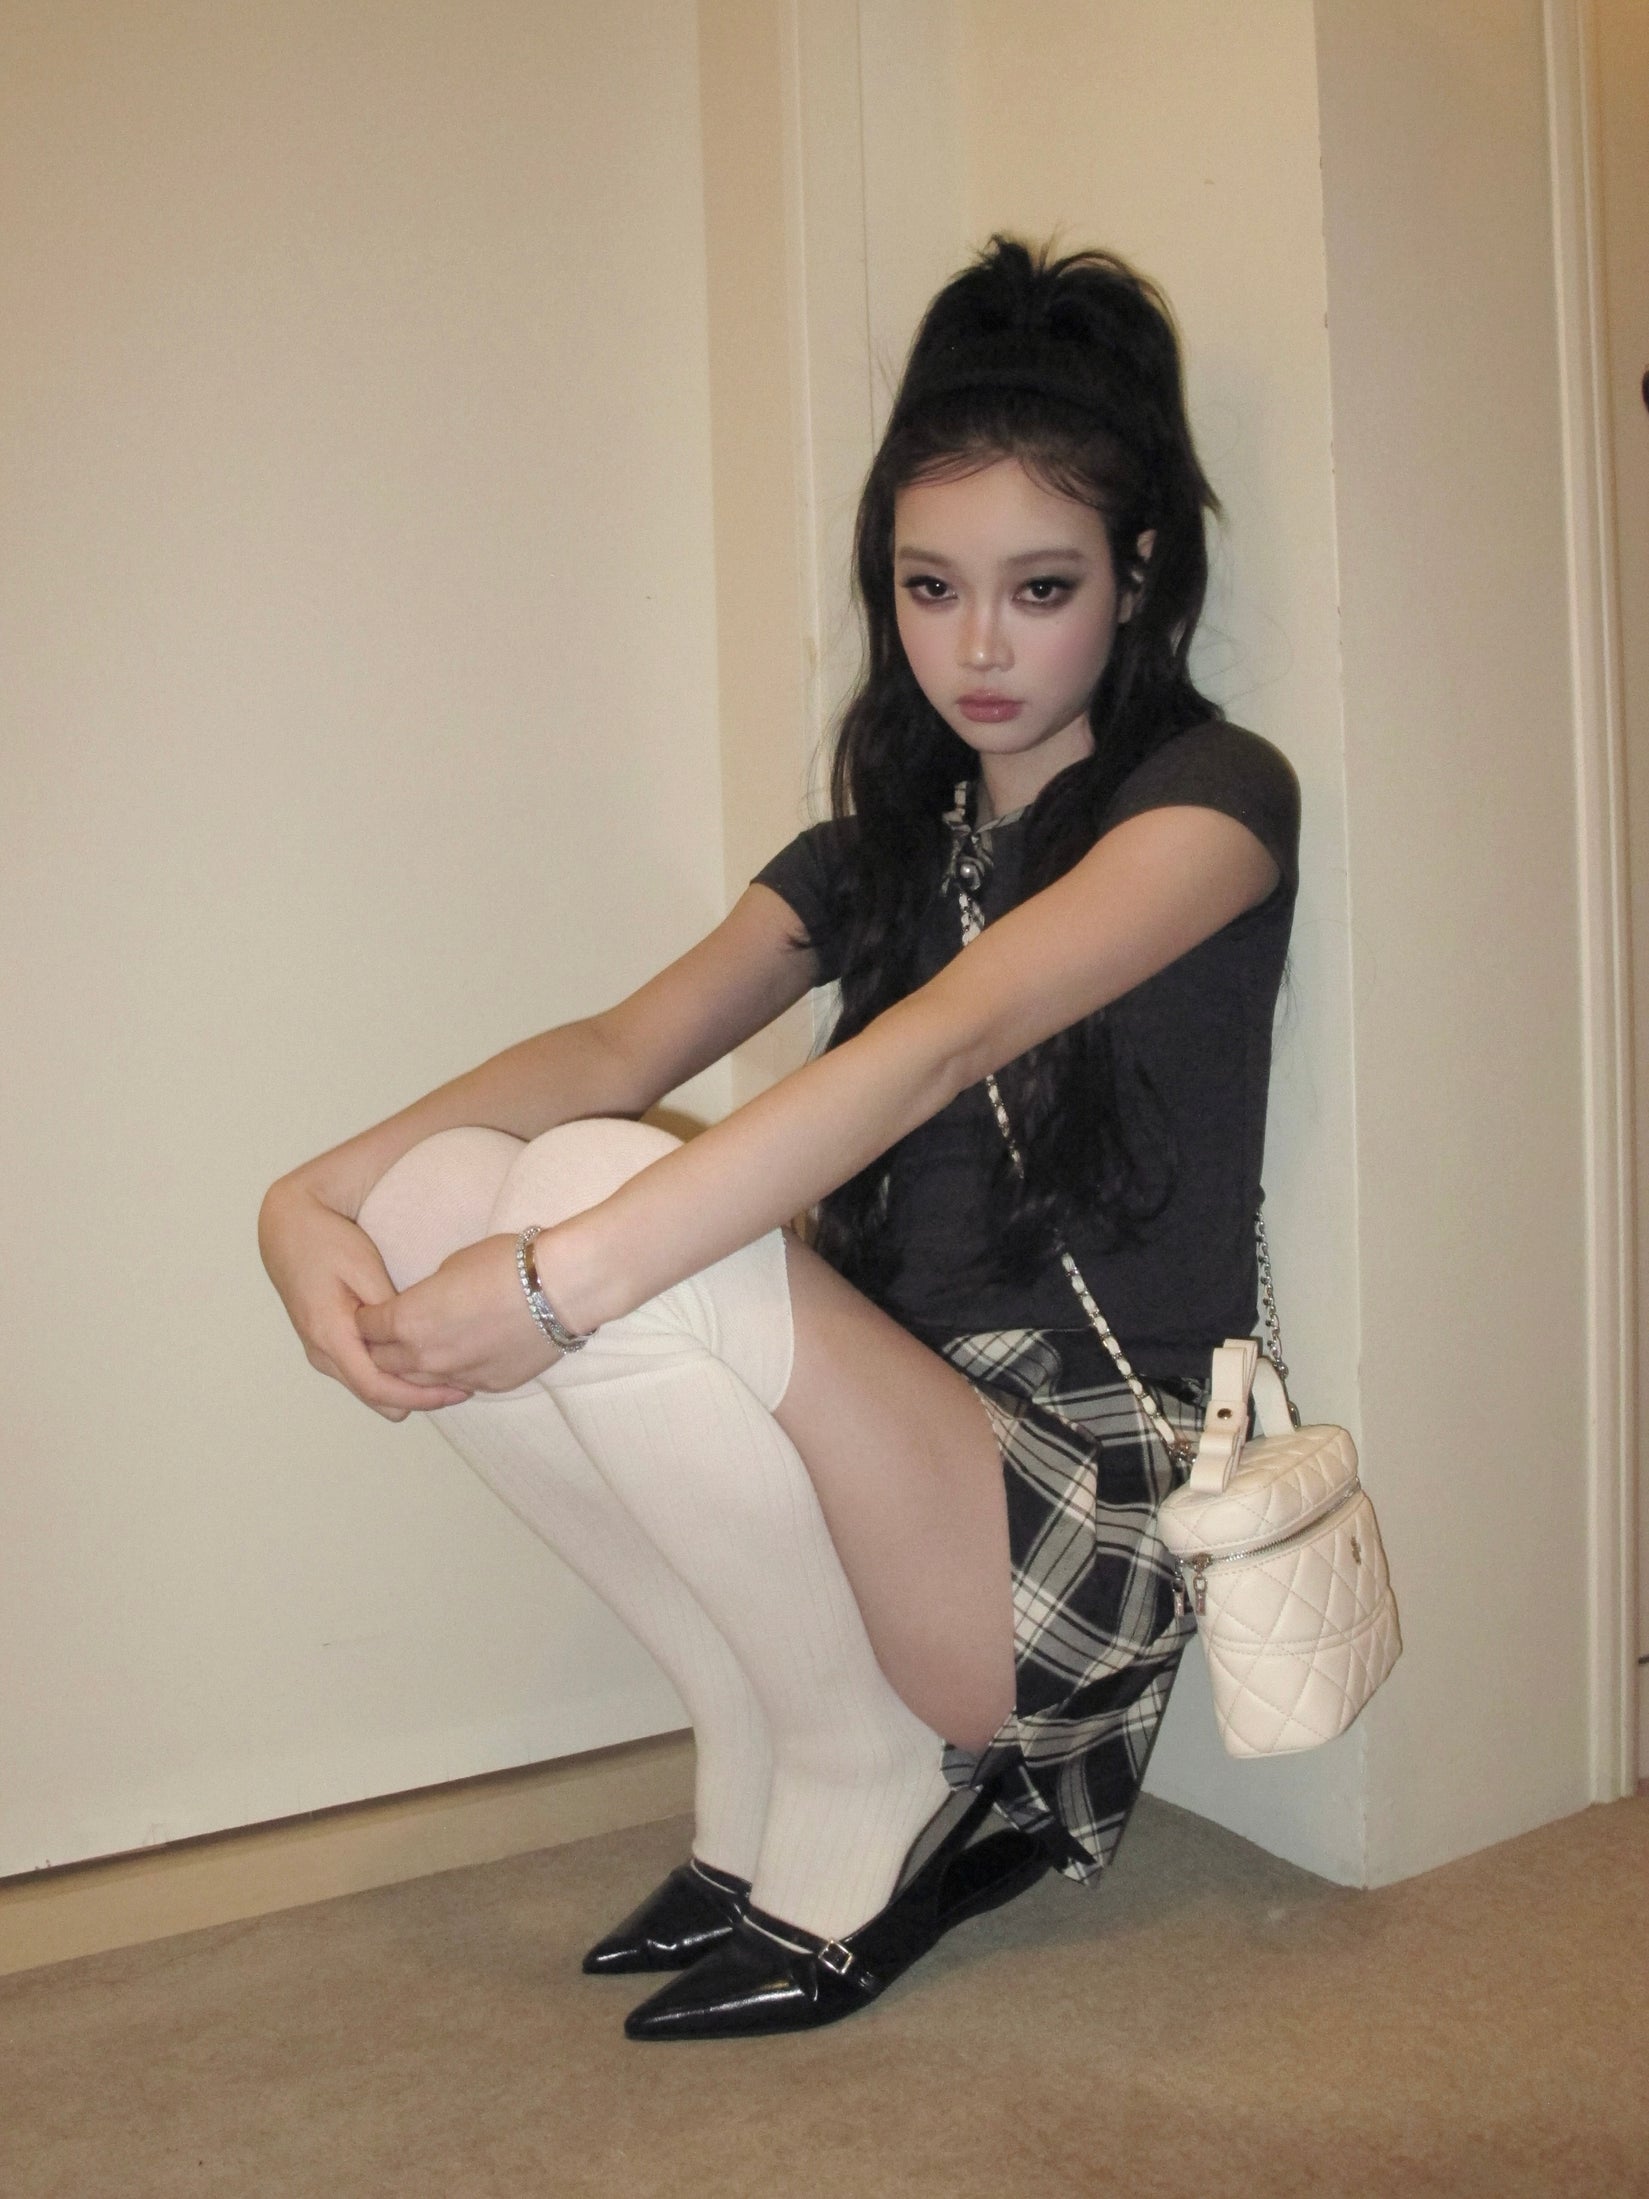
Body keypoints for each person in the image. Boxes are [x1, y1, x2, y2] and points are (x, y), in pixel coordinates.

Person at [259, 237, 1299, 2041]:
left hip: (1071, 1515)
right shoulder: (873, 853)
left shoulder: (1210, 802)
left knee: (585, 1199)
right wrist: (308, 1198)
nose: (978, 647)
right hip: (892, 1441)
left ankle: (864, 1762)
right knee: (445, 1194)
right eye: (928, 588)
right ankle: (761, 1729)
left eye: (1040, 588)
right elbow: (615, 1045)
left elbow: (940, 1043)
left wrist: (561, 1281)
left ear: (1137, 578)